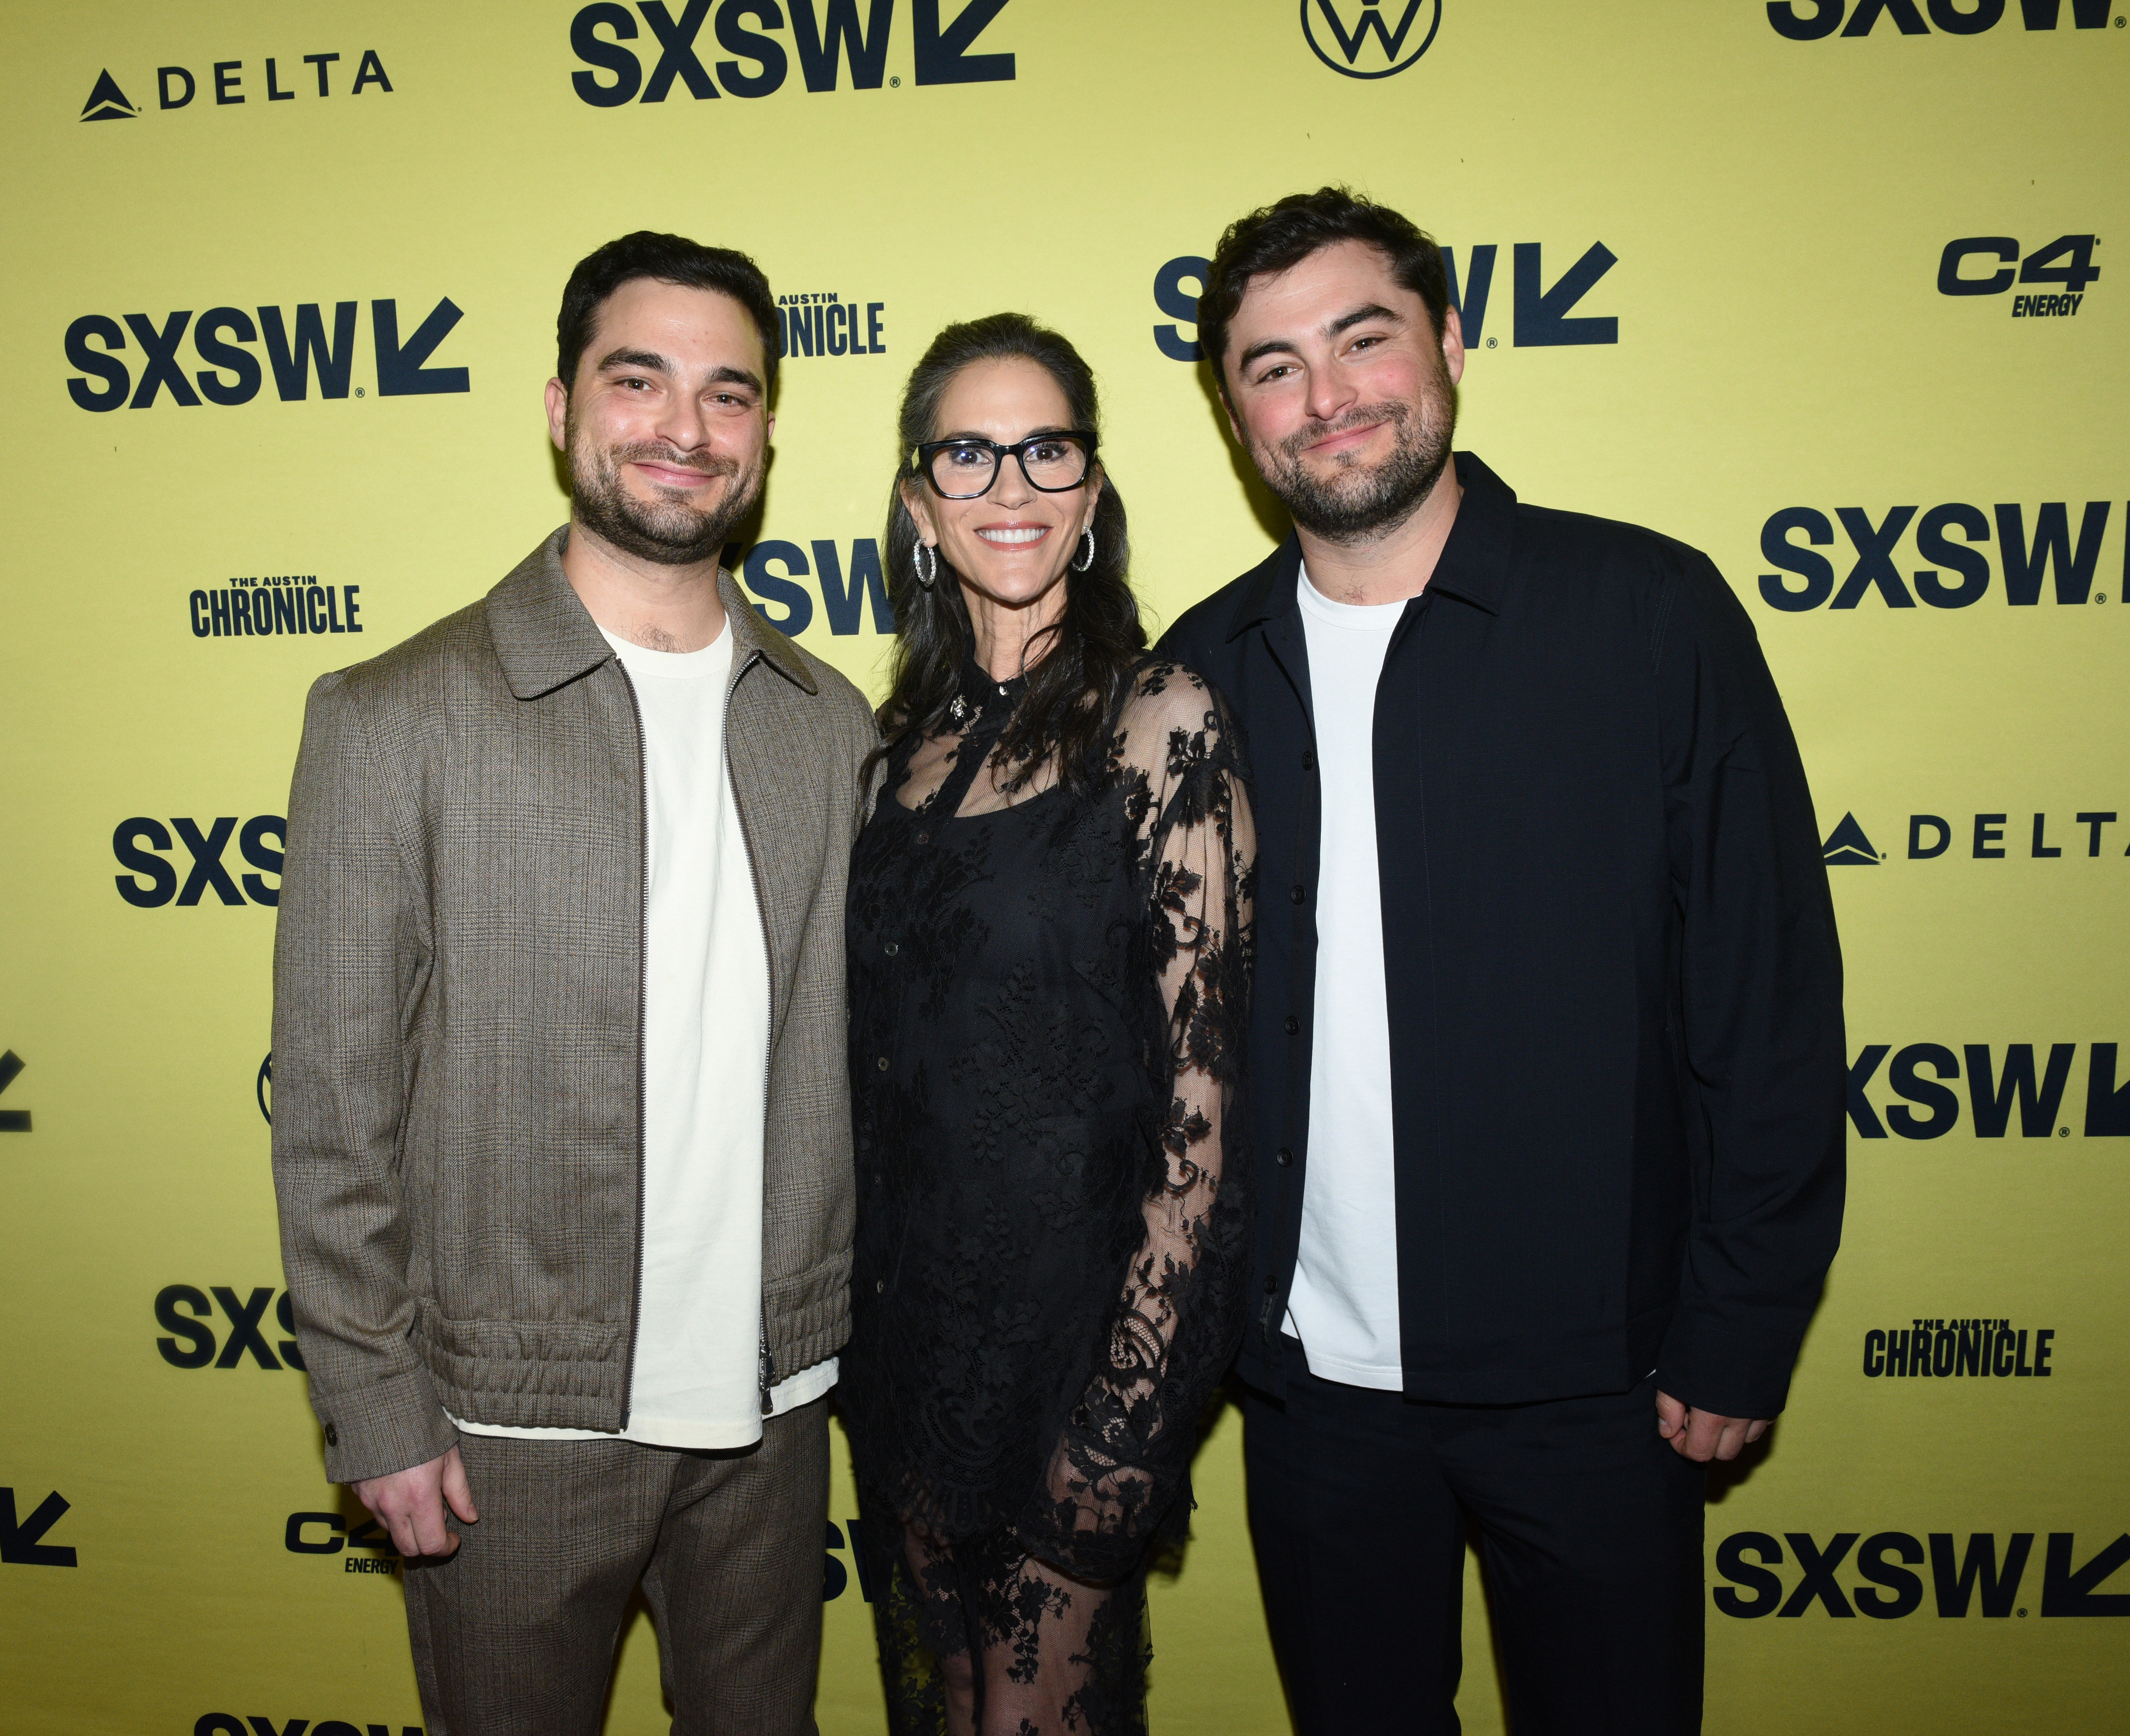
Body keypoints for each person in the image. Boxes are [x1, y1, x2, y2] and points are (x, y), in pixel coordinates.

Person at [1157, 188, 1847, 1735]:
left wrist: (1737, 1325)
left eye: (1362, 339)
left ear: (1451, 346)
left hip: (1603, 1394)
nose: (1325, 397)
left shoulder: (1644, 614)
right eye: (1271, 365)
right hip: (1310, 1397)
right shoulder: (1196, 672)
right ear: (1232, 412)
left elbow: (1766, 998)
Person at [270, 230, 878, 1736]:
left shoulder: (831, 727)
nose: (685, 428)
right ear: (559, 408)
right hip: (501, 1432)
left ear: (767, 433)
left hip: (774, 1414)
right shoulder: (395, 717)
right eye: (639, 379)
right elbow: (334, 1105)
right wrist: (378, 1404)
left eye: (728, 394)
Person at [838, 314, 1256, 1736]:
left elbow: (1205, 1116)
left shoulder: (1159, 723)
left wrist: (1132, 1406)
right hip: (902, 1354)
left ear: (1088, 492)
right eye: (968, 453)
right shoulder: (891, 751)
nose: (1008, 486)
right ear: (916, 501)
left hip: (1073, 1357)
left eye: (1045, 450)